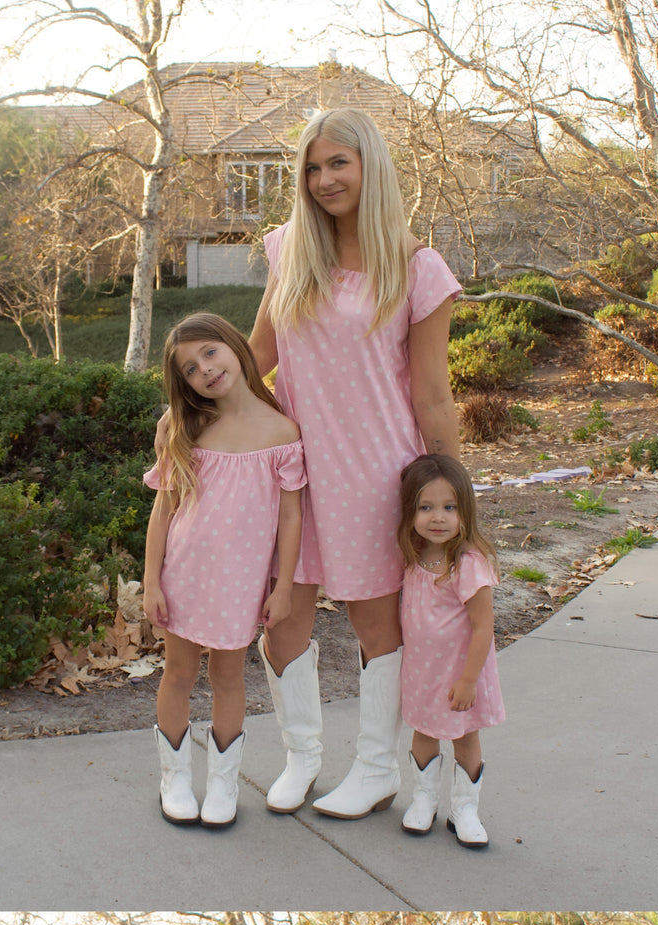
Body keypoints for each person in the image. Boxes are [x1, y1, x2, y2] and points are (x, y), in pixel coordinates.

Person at [248, 107, 462, 820]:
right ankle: (302, 759)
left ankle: (377, 769)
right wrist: (184, 414)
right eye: (312, 167)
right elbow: (258, 360)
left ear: (370, 166)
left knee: (377, 628)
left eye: (338, 162)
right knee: (281, 621)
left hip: (377, 476)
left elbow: (433, 394)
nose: (323, 178)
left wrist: (451, 496)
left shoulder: (418, 270)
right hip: (291, 476)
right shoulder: (288, 253)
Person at [144, 312, 305, 828]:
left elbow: (290, 515)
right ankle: (174, 779)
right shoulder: (183, 428)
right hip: (183, 575)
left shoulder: (282, 430)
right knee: (180, 673)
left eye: (210, 353)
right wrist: (151, 580)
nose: (205, 370)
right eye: (189, 369)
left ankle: (222, 783)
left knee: (229, 676)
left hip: (241, 583)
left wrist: (282, 588)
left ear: (234, 346)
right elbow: (163, 509)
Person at [397, 453, 504, 849]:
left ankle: (465, 809)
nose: (437, 517)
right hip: (423, 671)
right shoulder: (414, 557)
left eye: (448, 507)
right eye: (425, 507)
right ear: (410, 512)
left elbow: (483, 626)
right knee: (423, 732)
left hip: (462, 674)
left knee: (464, 737)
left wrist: (469, 679)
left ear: (465, 512)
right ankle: (423, 799)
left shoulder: (468, 564)